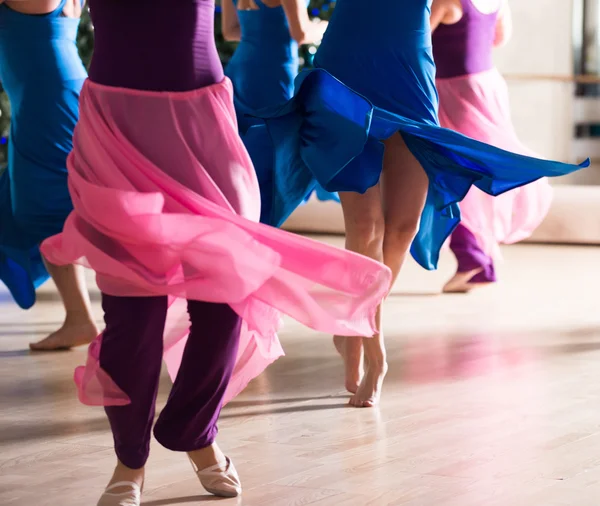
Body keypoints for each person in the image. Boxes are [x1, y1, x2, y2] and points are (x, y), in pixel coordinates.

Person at [40, 0, 390, 503]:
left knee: (228, 293)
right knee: (131, 313)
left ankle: (193, 431)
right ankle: (129, 461)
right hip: (117, 127)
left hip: (202, 123)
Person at [250, 0, 588, 407]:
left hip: (410, 66)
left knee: (403, 226)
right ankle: (372, 347)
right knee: (366, 225)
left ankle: (355, 322)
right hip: (346, 63)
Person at [431, 0, 553, 293]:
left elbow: (415, 41)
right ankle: (477, 257)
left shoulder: (446, 1)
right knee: (475, 170)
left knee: (452, 173)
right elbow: (499, 38)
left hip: (456, 90)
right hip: (489, 85)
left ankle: (470, 255)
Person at [0, 0, 97, 351]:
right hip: (45, 92)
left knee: (43, 205)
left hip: (46, 96)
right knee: (45, 202)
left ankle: (83, 316)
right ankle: (79, 317)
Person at [221, 0, 335, 219]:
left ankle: (243, 218)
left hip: (241, 68)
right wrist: (324, 25)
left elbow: (230, 31)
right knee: (277, 146)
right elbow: (300, 33)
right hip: (274, 70)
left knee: (245, 147)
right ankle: (261, 222)